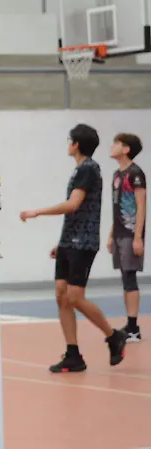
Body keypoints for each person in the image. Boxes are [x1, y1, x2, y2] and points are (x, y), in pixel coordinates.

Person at [20, 124, 128, 373]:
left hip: (84, 242)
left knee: (74, 297)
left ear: (76, 144)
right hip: (70, 241)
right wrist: (62, 243)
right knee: (61, 295)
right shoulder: (80, 169)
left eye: (70, 140)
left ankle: (114, 336)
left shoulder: (89, 168)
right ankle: (73, 354)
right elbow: (77, 212)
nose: (68, 144)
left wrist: (37, 212)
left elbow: (73, 205)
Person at [107, 133, 145, 342]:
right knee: (125, 277)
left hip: (131, 233)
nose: (112, 146)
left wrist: (138, 237)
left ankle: (133, 328)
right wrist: (111, 234)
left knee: (130, 277)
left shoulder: (135, 173)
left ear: (126, 149)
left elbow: (141, 206)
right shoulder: (117, 175)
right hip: (120, 233)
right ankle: (130, 325)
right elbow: (117, 207)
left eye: (116, 143)